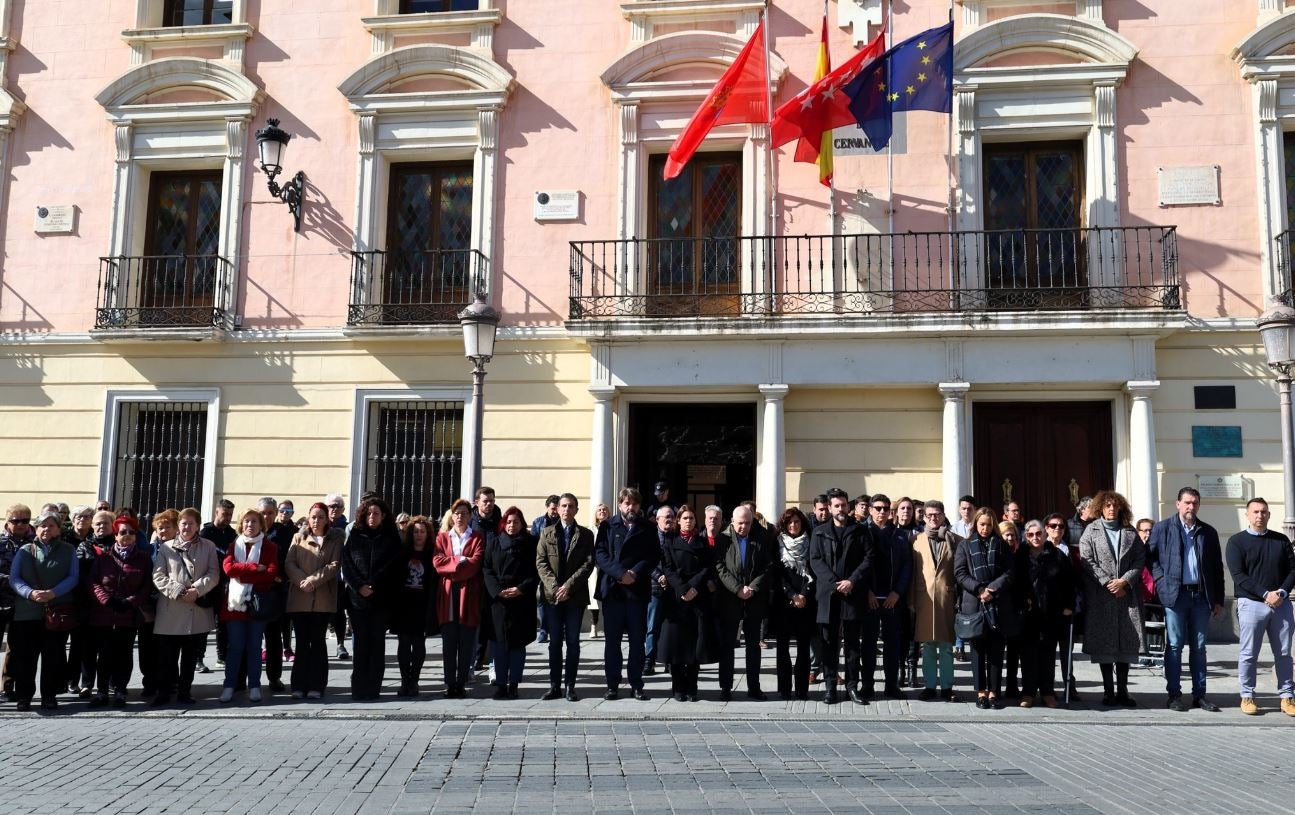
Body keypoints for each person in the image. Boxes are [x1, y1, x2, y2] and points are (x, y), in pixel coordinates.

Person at [1148, 487, 1224, 713]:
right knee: (1174, 646)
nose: (1191, 507)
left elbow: (1216, 567)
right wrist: (1161, 581)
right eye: (1188, 502)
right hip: (1175, 596)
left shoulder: (1207, 532)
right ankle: (1174, 694)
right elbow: (1150, 559)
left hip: (1201, 597)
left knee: (1199, 647)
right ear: (1178, 504)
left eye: (1195, 503)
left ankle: (1199, 695)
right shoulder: (1162, 529)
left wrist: (1217, 598)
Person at [1226, 497, 1295, 716]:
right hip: (1251, 604)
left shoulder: (1281, 540)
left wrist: (1281, 592)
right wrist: (1265, 594)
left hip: (1281, 604)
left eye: (1264, 512)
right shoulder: (1236, 542)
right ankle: (1247, 695)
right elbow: (1238, 575)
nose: (1260, 515)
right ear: (1247, 514)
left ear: (1269, 515)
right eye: (1255, 511)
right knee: (1249, 653)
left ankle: (1287, 697)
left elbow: (1293, 570)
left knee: (1284, 653)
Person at [1078, 490, 1145, 707]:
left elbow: (1139, 560)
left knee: (1126, 644)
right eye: (1107, 506)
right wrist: (1108, 582)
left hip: (1126, 596)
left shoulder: (1129, 532)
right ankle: (1108, 691)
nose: (1111, 509)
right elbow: (1086, 559)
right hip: (1102, 595)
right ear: (1100, 508)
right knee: (1105, 645)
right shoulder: (1091, 530)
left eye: (1115, 506)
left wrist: (1124, 582)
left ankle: (1123, 690)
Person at [808, 488, 874, 705]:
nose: (840, 509)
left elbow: (868, 558)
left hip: (853, 595)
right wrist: (835, 583)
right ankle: (829, 687)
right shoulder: (819, 532)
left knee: (853, 645)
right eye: (836, 505)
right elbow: (815, 560)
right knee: (828, 643)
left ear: (849, 506)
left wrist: (851, 581)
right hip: (828, 595)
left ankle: (852, 687)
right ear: (829, 507)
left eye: (844, 505)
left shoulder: (861, 531)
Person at [8, 510, 78, 711]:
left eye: (51, 525)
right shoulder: (25, 550)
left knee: (53, 657)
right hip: (27, 612)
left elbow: (73, 577)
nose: (46, 529)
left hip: (56, 611)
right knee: (25, 658)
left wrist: (53, 593)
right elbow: (15, 578)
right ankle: (24, 697)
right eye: (42, 525)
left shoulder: (68, 550)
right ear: (36, 528)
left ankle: (49, 695)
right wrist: (30, 593)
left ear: (58, 529)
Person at [594, 487, 659, 701]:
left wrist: (635, 573)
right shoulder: (607, 526)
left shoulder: (648, 528)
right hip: (614, 590)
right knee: (612, 642)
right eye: (627, 503)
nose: (631, 507)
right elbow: (601, 555)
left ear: (639, 506)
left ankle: (636, 684)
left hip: (636, 591)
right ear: (620, 504)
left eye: (635, 503)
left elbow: (653, 555)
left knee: (637, 641)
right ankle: (612, 685)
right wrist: (621, 573)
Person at [152, 507, 220, 706]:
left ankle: (185, 692)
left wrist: (197, 590)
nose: (187, 527)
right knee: (167, 657)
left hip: (196, 610)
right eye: (183, 523)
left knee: (190, 658)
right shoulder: (166, 547)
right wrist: (179, 591)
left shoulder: (208, 546)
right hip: (171, 609)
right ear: (178, 525)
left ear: (197, 525)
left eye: (191, 523)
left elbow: (213, 573)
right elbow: (158, 575)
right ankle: (164, 693)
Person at [87, 514, 155, 706]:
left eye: (131, 533)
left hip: (128, 614)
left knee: (124, 654)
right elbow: (93, 582)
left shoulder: (143, 558)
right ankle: (101, 691)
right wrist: (106, 600)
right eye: (123, 532)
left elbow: (147, 586)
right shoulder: (104, 558)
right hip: (104, 614)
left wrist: (130, 602)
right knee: (105, 654)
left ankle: (120, 690)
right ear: (115, 535)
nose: (127, 536)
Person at [954, 508, 1016, 710]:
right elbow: (960, 573)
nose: (985, 528)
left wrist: (992, 589)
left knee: (997, 650)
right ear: (975, 524)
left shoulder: (1001, 545)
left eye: (989, 524)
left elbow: (1009, 572)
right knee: (978, 651)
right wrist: (980, 589)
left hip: (998, 603)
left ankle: (994, 692)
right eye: (982, 524)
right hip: (974, 603)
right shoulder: (965, 545)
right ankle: (981, 691)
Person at [343, 496, 403, 701]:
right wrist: (359, 586)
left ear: (383, 516)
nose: (372, 517)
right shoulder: (356, 535)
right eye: (368, 513)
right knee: (360, 645)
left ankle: (373, 688)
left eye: (376, 513)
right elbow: (347, 563)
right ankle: (358, 689)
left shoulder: (390, 536)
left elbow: (393, 565)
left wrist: (373, 585)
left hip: (381, 600)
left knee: (377, 645)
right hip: (357, 601)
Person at [536, 493, 594, 701]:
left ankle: (570, 686)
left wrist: (568, 586)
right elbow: (541, 562)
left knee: (573, 642)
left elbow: (588, 564)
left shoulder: (586, 535)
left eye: (571, 506)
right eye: (563, 506)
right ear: (557, 509)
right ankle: (554, 686)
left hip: (575, 597)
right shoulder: (547, 532)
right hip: (553, 598)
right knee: (554, 643)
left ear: (576, 510)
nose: (566, 509)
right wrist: (555, 587)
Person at [657, 506, 717, 702]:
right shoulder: (670, 542)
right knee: (676, 647)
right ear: (679, 521)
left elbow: (707, 568)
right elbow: (668, 568)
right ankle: (678, 687)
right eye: (685, 518)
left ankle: (692, 687)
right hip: (677, 599)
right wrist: (683, 589)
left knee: (694, 647)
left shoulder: (701, 543)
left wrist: (693, 587)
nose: (688, 521)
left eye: (691, 518)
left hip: (697, 598)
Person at [219, 509, 279, 703]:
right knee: (235, 647)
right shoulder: (233, 545)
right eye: (246, 522)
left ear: (261, 524)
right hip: (234, 605)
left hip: (256, 604)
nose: (250, 525)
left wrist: (241, 573)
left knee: (254, 647)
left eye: (254, 521)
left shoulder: (269, 547)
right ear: (241, 525)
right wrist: (254, 568)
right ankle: (229, 686)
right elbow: (228, 569)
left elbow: (269, 574)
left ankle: (255, 686)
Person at [715, 504, 772, 701]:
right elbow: (719, 567)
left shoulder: (762, 537)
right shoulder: (722, 539)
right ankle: (725, 687)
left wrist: (753, 588)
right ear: (732, 521)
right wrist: (738, 588)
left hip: (754, 599)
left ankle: (754, 687)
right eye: (740, 523)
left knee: (753, 647)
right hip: (731, 599)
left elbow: (768, 566)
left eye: (747, 523)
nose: (743, 527)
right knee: (727, 645)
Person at [285, 502, 342, 700]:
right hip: (300, 598)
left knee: (318, 643)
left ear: (327, 519)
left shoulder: (335, 539)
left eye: (321, 517)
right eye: (313, 517)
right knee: (301, 644)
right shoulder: (298, 537)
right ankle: (298, 685)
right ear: (308, 518)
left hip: (322, 599)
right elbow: (289, 563)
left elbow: (334, 565)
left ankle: (317, 685)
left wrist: (312, 581)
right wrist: (302, 580)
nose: (316, 520)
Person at [483, 506, 539, 699]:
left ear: (522, 524)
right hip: (499, 601)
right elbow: (487, 569)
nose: (512, 525)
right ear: (503, 523)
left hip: (521, 600)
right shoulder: (494, 542)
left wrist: (521, 589)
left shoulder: (531, 543)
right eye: (508, 522)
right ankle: (500, 684)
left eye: (516, 522)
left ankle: (514, 683)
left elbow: (536, 572)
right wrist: (498, 591)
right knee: (499, 644)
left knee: (517, 644)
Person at [1017, 519, 1074, 709]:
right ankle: (1028, 693)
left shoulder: (1057, 555)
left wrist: (1068, 605)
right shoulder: (1020, 556)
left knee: (1048, 655)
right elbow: (1013, 582)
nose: (1035, 538)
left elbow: (1070, 582)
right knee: (1028, 655)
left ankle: (1048, 693)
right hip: (1028, 614)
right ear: (1026, 536)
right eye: (1031, 535)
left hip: (1051, 613)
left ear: (1044, 534)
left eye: (1038, 534)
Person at [433, 499, 484, 698]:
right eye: (457, 513)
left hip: (468, 594)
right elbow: (437, 563)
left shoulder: (477, 537)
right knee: (449, 643)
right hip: (447, 595)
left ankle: (461, 683)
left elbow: (475, 564)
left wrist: (452, 568)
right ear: (452, 516)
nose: (460, 516)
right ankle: (449, 683)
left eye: (464, 513)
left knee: (466, 642)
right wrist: (461, 560)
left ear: (470, 516)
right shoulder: (442, 538)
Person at [911, 499, 960, 702]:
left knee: (946, 646)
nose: (933, 518)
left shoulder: (956, 540)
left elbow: (960, 571)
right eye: (929, 515)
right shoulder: (915, 540)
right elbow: (912, 572)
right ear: (924, 516)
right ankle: (930, 686)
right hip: (924, 598)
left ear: (943, 515)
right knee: (928, 646)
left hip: (946, 598)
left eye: (937, 514)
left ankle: (947, 687)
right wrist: (910, 599)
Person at [863, 494, 911, 700]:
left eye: (885, 509)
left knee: (892, 645)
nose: (882, 512)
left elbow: (907, 566)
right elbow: (856, 565)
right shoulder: (862, 533)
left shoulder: (899, 535)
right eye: (878, 508)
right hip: (870, 598)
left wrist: (897, 592)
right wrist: (867, 591)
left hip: (892, 599)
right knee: (869, 645)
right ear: (871, 510)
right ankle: (867, 685)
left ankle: (891, 685)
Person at [771, 507, 815, 701]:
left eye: (797, 522)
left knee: (804, 648)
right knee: (782, 648)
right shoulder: (777, 543)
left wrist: (804, 594)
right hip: (784, 602)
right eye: (789, 522)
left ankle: (802, 689)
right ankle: (784, 688)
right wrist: (791, 594)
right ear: (784, 524)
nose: (793, 525)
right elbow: (776, 572)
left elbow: (813, 570)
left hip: (806, 602)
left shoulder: (810, 541)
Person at [393, 515, 435, 697]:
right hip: (404, 604)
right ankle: (404, 680)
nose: (419, 535)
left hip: (422, 604)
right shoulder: (403, 552)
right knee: (403, 643)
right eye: (416, 531)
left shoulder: (432, 553)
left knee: (418, 643)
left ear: (428, 534)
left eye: (422, 531)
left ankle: (415, 680)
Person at [1043, 511, 1082, 701]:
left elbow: (1077, 582)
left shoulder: (1073, 552)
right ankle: (1047, 688)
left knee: (1067, 652)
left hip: (1067, 610)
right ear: (1046, 528)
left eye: (1060, 526)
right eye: (1053, 525)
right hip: (1047, 611)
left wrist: (1071, 605)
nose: (1057, 529)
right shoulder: (1041, 550)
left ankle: (1069, 686)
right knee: (1048, 652)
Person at [259, 497, 295, 694]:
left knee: (274, 638)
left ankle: (274, 678)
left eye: (270, 513)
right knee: (251, 638)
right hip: (253, 592)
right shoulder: (250, 530)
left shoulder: (284, 533)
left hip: (276, 592)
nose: (266, 516)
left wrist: (279, 576)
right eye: (263, 513)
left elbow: (289, 559)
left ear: (275, 513)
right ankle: (246, 678)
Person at [0, 504, 34, 701]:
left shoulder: (34, 543)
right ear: (7, 521)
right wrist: (14, 580)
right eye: (15, 521)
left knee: (16, 647)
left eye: (25, 521)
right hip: (1, 599)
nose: (20, 525)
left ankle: (8, 687)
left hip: (22, 604)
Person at [198, 498, 236, 673]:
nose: (227, 517)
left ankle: (222, 657)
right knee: (204, 624)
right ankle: (198, 659)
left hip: (226, 586)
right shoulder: (205, 533)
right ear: (216, 512)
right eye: (224, 514)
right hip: (208, 584)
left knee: (224, 623)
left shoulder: (233, 534)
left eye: (230, 515)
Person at [63, 505, 96, 697]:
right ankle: (67, 679)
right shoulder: (63, 539)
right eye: (79, 516)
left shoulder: (93, 540)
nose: (82, 520)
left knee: (82, 643)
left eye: (86, 516)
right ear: (73, 519)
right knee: (62, 644)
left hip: (87, 598)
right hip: (65, 596)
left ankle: (82, 682)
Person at [529, 495, 560, 645]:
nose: (555, 512)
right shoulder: (538, 522)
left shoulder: (563, 521)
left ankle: (560, 628)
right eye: (553, 508)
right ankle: (543, 629)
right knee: (541, 598)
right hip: (542, 564)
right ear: (547, 507)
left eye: (557, 508)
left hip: (558, 565)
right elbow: (533, 543)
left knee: (557, 595)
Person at [324, 494, 351, 660]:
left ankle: (340, 644)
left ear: (343, 509)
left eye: (338, 506)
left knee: (339, 611)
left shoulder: (347, 528)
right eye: (331, 506)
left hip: (339, 577)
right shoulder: (318, 524)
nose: (334, 509)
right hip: (320, 575)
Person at [997, 520, 1023, 698]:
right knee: (997, 649)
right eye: (1006, 534)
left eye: (1012, 534)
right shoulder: (996, 553)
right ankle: (995, 685)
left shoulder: (1020, 553)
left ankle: (1012, 685)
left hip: (1015, 607)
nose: (1010, 537)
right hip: (998, 605)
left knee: (1014, 650)